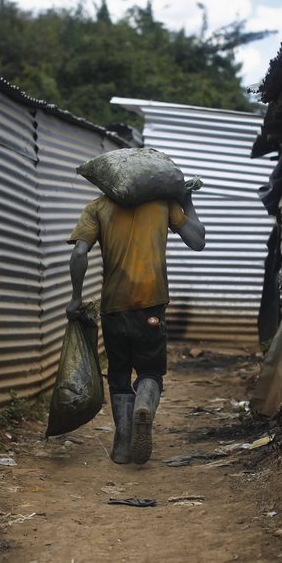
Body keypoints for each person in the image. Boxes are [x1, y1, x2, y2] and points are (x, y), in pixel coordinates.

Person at [66, 188, 206, 464]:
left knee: (119, 375)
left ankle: (122, 445)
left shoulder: (97, 208)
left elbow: (80, 253)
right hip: (152, 307)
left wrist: (76, 298)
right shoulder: (162, 204)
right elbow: (198, 241)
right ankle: (144, 403)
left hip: (113, 309)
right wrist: (187, 201)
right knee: (151, 371)